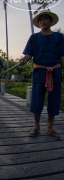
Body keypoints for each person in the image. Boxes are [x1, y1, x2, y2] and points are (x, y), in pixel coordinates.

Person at [20, 10, 64, 140]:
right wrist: (24, 59)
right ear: (38, 24)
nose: (43, 21)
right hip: (39, 73)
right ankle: (36, 126)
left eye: (46, 19)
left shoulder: (59, 37)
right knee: (37, 101)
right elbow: (29, 54)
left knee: (54, 101)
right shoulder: (34, 38)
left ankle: (50, 127)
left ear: (51, 21)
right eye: (41, 20)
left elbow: (62, 55)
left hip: (55, 72)